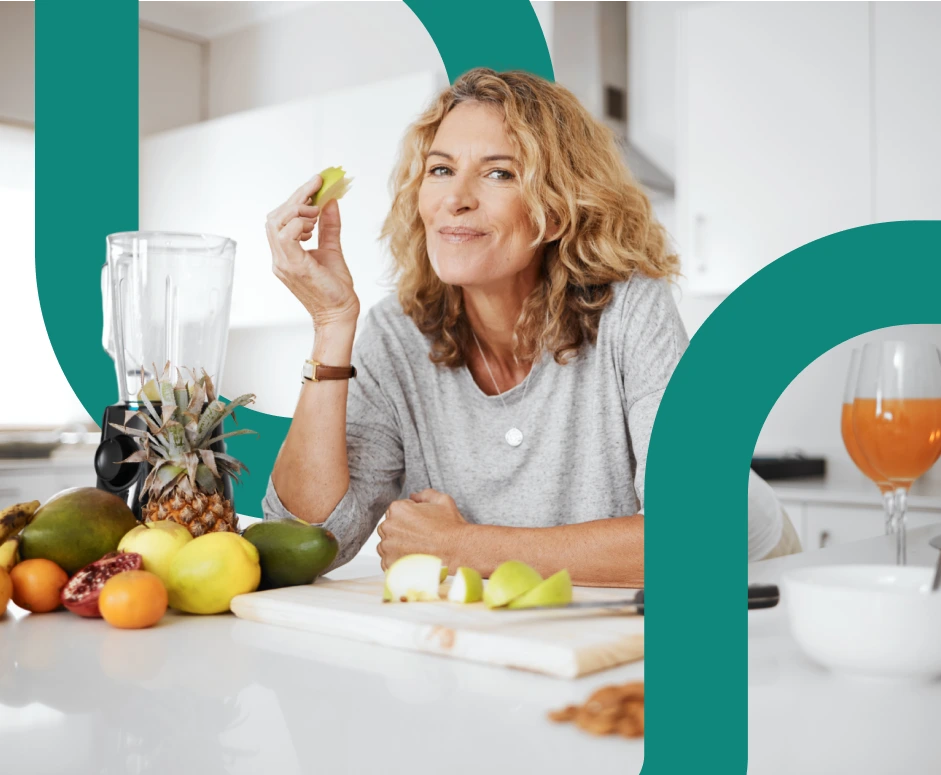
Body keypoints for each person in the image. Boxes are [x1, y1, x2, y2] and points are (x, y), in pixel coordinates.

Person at [262, 67, 787, 585]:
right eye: (441, 169)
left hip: (754, 566)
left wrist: (461, 547)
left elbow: (692, 538)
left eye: (499, 173)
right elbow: (304, 543)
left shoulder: (633, 312)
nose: (456, 198)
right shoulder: (395, 336)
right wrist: (332, 325)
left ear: (555, 211)